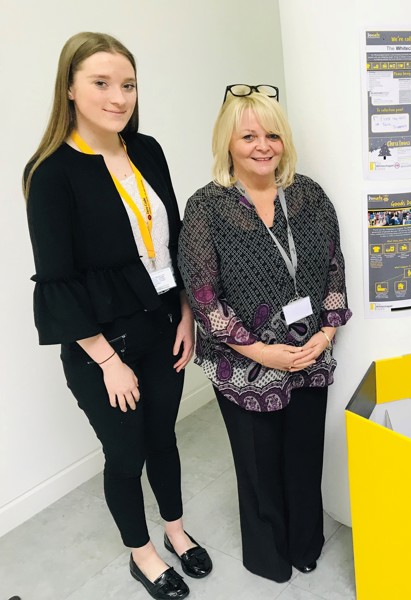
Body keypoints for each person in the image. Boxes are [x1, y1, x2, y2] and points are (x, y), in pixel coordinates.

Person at [23, 32, 212, 599]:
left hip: (162, 326)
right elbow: (57, 283)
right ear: (70, 90)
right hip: (103, 349)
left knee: (164, 439)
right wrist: (108, 361)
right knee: (125, 455)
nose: (118, 97)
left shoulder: (146, 149)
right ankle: (143, 554)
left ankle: (176, 532)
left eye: (127, 84)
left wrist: (185, 315)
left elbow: (173, 242)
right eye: (101, 83)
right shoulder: (51, 173)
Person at [178, 87, 351, 584]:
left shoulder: (309, 195)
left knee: (303, 454)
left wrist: (325, 334)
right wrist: (258, 351)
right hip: (244, 364)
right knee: (257, 462)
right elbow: (203, 292)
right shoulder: (206, 207)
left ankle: (305, 542)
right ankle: (268, 553)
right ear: (227, 142)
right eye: (248, 135)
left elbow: (334, 267)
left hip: (309, 354)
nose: (263, 145)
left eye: (272, 134)